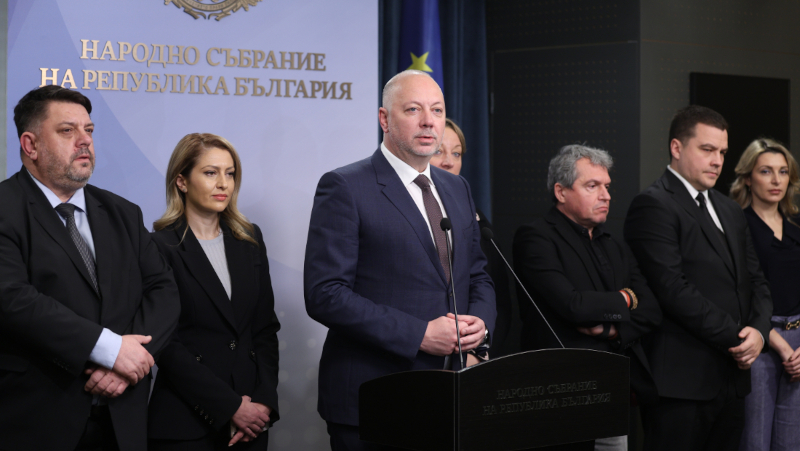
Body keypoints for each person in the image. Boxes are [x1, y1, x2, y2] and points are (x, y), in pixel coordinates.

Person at [304, 70, 496, 451]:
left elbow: (477, 274)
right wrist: (418, 334)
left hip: (450, 395)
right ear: (384, 118)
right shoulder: (345, 186)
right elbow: (325, 293)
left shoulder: (457, 187)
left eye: (437, 110)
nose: (428, 121)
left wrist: (479, 329)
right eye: (413, 109)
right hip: (375, 397)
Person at [0, 85, 180, 451]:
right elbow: (12, 298)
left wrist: (129, 363)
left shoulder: (123, 213)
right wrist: (111, 351)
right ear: (30, 145)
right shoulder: (6, 208)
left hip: (123, 418)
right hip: (38, 419)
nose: (84, 141)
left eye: (89, 130)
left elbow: (163, 290)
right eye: (67, 131)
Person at [624, 105, 773, 451]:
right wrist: (738, 337)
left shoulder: (730, 209)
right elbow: (672, 289)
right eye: (707, 149)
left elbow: (757, 281)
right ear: (676, 148)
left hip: (733, 379)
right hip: (682, 382)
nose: (717, 161)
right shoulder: (653, 204)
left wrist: (759, 332)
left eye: (722, 152)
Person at [513, 144, 662, 451]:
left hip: (614, 390)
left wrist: (612, 330)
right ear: (561, 191)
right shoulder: (536, 237)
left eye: (606, 186)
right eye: (592, 186)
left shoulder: (614, 244)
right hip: (560, 393)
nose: (605, 195)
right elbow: (574, 306)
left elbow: (651, 310)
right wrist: (626, 299)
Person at [147, 133, 280, 450]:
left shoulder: (250, 239)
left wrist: (263, 401)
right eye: (210, 172)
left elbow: (264, 329)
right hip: (186, 423)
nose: (223, 184)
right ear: (181, 181)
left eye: (230, 173)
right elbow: (166, 344)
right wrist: (230, 406)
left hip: (250, 423)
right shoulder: (157, 247)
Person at [729, 138, 800, 451]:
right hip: (760, 341)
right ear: (748, 178)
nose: (776, 180)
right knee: (755, 441)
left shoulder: (797, 225)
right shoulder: (737, 226)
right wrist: (782, 346)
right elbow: (740, 295)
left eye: (783, 172)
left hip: (799, 344)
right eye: (766, 171)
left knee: (791, 442)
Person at [429, 118, 512, 356]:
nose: (448, 162)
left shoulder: (476, 218)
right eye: (438, 152)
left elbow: (495, 293)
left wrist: (481, 349)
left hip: (472, 353)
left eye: (456, 154)